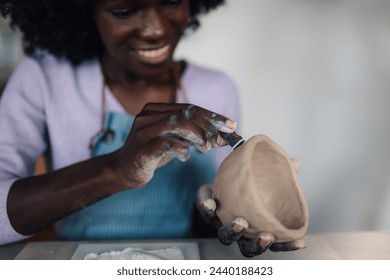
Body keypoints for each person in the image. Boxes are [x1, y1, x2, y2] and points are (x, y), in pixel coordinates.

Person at [0, 0, 304, 257]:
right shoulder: (45, 78)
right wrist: (116, 170)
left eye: (171, 0)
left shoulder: (215, 89)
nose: (155, 29)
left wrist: (231, 219)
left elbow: (214, 210)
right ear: (83, 10)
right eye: (124, 11)